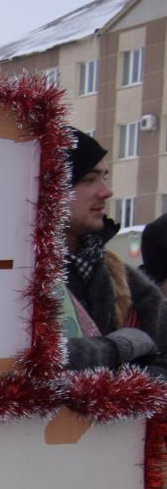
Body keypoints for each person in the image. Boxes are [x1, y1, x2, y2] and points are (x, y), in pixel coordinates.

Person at [61, 130, 166, 366]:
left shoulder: (117, 274)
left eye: (104, 177)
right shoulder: (11, 273)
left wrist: (134, 389)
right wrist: (114, 349)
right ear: (51, 189)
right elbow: (20, 359)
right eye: (89, 179)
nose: (106, 191)